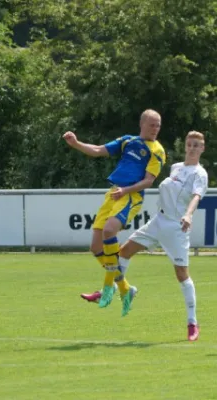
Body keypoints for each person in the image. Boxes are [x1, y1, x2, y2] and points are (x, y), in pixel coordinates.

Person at [85, 131, 208, 341]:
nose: (193, 148)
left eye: (197, 145)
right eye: (190, 144)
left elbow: (196, 196)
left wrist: (188, 214)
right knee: (122, 252)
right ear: (185, 146)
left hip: (177, 227)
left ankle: (192, 322)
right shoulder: (176, 167)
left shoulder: (200, 174)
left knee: (182, 275)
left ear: (202, 149)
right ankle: (110, 290)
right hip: (158, 221)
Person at [63, 109, 166, 308]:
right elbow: (97, 150)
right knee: (95, 247)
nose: (156, 129)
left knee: (110, 231)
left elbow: (148, 181)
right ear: (142, 124)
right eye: (152, 124)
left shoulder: (157, 150)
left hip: (130, 195)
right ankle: (125, 287)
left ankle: (108, 289)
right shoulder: (127, 141)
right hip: (113, 193)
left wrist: (125, 190)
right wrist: (76, 143)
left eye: (158, 125)